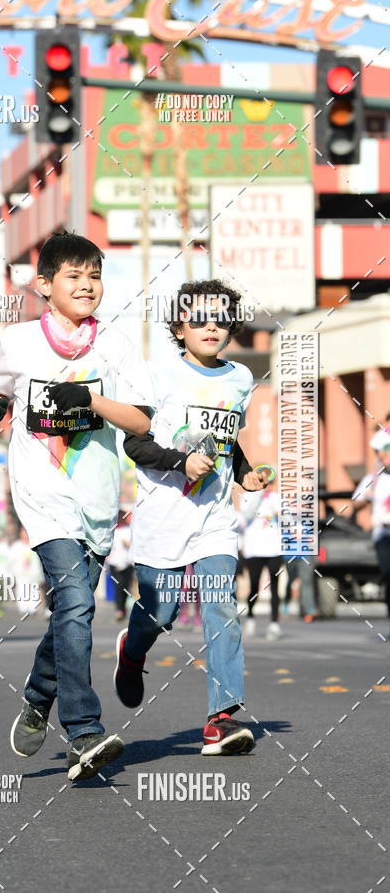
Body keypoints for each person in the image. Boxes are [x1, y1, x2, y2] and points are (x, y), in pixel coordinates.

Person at [0, 231, 154, 781]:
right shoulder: (21, 340)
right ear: (44, 285)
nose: (87, 286)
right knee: (77, 602)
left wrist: (93, 400)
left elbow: (143, 421)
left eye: (95, 276)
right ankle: (85, 732)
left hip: (98, 498)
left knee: (69, 611)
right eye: (74, 277)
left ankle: (37, 695)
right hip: (40, 491)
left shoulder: (118, 346)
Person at [114, 279, 269, 756]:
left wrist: (244, 474)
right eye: (198, 318)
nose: (210, 326)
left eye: (220, 319)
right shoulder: (155, 374)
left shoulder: (241, 379)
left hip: (214, 520)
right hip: (163, 517)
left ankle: (220, 719)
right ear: (179, 326)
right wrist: (180, 463)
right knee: (161, 613)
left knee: (221, 604)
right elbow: (134, 444)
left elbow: (228, 444)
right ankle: (133, 648)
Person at [352, 441, 390, 639]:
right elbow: (356, 501)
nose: (380, 457)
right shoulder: (374, 478)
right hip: (383, 535)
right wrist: (368, 495)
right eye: (379, 454)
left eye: (384, 454)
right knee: (388, 577)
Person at [240, 483, 285, 639]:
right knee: (253, 586)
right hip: (254, 549)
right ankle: (251, 617)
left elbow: (287, 517)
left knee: (275, 586)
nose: (268, 485)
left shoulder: (277, 498)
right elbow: (247, 514)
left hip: (274, 549)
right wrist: (258, 494)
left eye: (270, 482)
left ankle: (274, 624)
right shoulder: (248, 497)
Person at [9, 528, 44, 616]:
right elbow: (11, 560)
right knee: (22, 589)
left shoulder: (34, 544)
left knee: (33, 590)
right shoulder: (16, 546)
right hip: (21, 573)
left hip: (33, 573)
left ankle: (33, 608)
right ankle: (23, 608)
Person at [106, 512, 134, 621]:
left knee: (126, 587)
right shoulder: (111, 530)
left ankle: (123, 608)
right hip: (114, 563)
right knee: (118, 586)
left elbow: (132, 545)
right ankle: (119, 610)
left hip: (127, 563)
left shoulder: (128, 530)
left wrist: (128, 544)